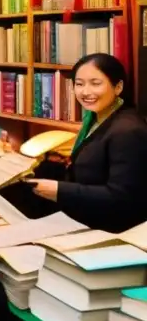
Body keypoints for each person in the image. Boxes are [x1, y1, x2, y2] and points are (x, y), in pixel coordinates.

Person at [26, 53, 147, 232]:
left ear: (118, 86)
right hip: (84, 215)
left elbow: (122, 198)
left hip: (107, 229)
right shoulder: (97, 118)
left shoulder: (128, 131)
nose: (85, 92)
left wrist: (59, 191)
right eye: (79, 84)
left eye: (95, 83)